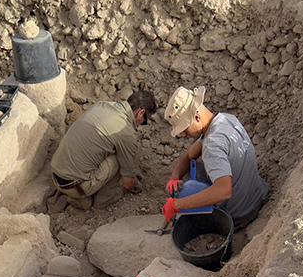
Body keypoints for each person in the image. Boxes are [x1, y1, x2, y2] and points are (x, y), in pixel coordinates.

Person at [162, 86, 268, 227]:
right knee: (194, 165)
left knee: (190, 188)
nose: (182, 135)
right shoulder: (227, 119)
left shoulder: (212, 144)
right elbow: (188, 156)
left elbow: (223, 191)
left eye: (184, 129)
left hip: (239, 214)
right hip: (257, 195)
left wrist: (176, 205)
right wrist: (174, 177)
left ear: (197, 117)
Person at [51, 91, 157, 210]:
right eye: (145, 121)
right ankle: (102, 201)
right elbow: (128, 183)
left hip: (55, 174)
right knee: (120, 159)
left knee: (113, 148)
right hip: (74, 187)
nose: (141, 125)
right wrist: (137, 184)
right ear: (140, 113)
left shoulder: (102, 105)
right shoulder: (125, 132)